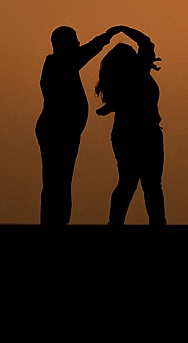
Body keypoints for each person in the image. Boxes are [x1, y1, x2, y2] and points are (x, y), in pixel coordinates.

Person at [36, 24, 123, 225]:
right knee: (58, 180)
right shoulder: (60, 62)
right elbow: (89, 50)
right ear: (63, 44)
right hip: (57, 131)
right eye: (74, 39)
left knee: (58, 179)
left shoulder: (60, 62)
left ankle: (54, 221)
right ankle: (54, 223)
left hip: (63, 130)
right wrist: (108, 35)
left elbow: (86, 50)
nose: (77, 43)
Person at [95, 26, 166, 225]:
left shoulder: (122, 81)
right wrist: (121, 28)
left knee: (128, 183)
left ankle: (115, 224)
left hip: (126, 134)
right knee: (150, 185)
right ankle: (158, 225)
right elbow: (146, 42)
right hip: (146, 134)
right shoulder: (138, 73)